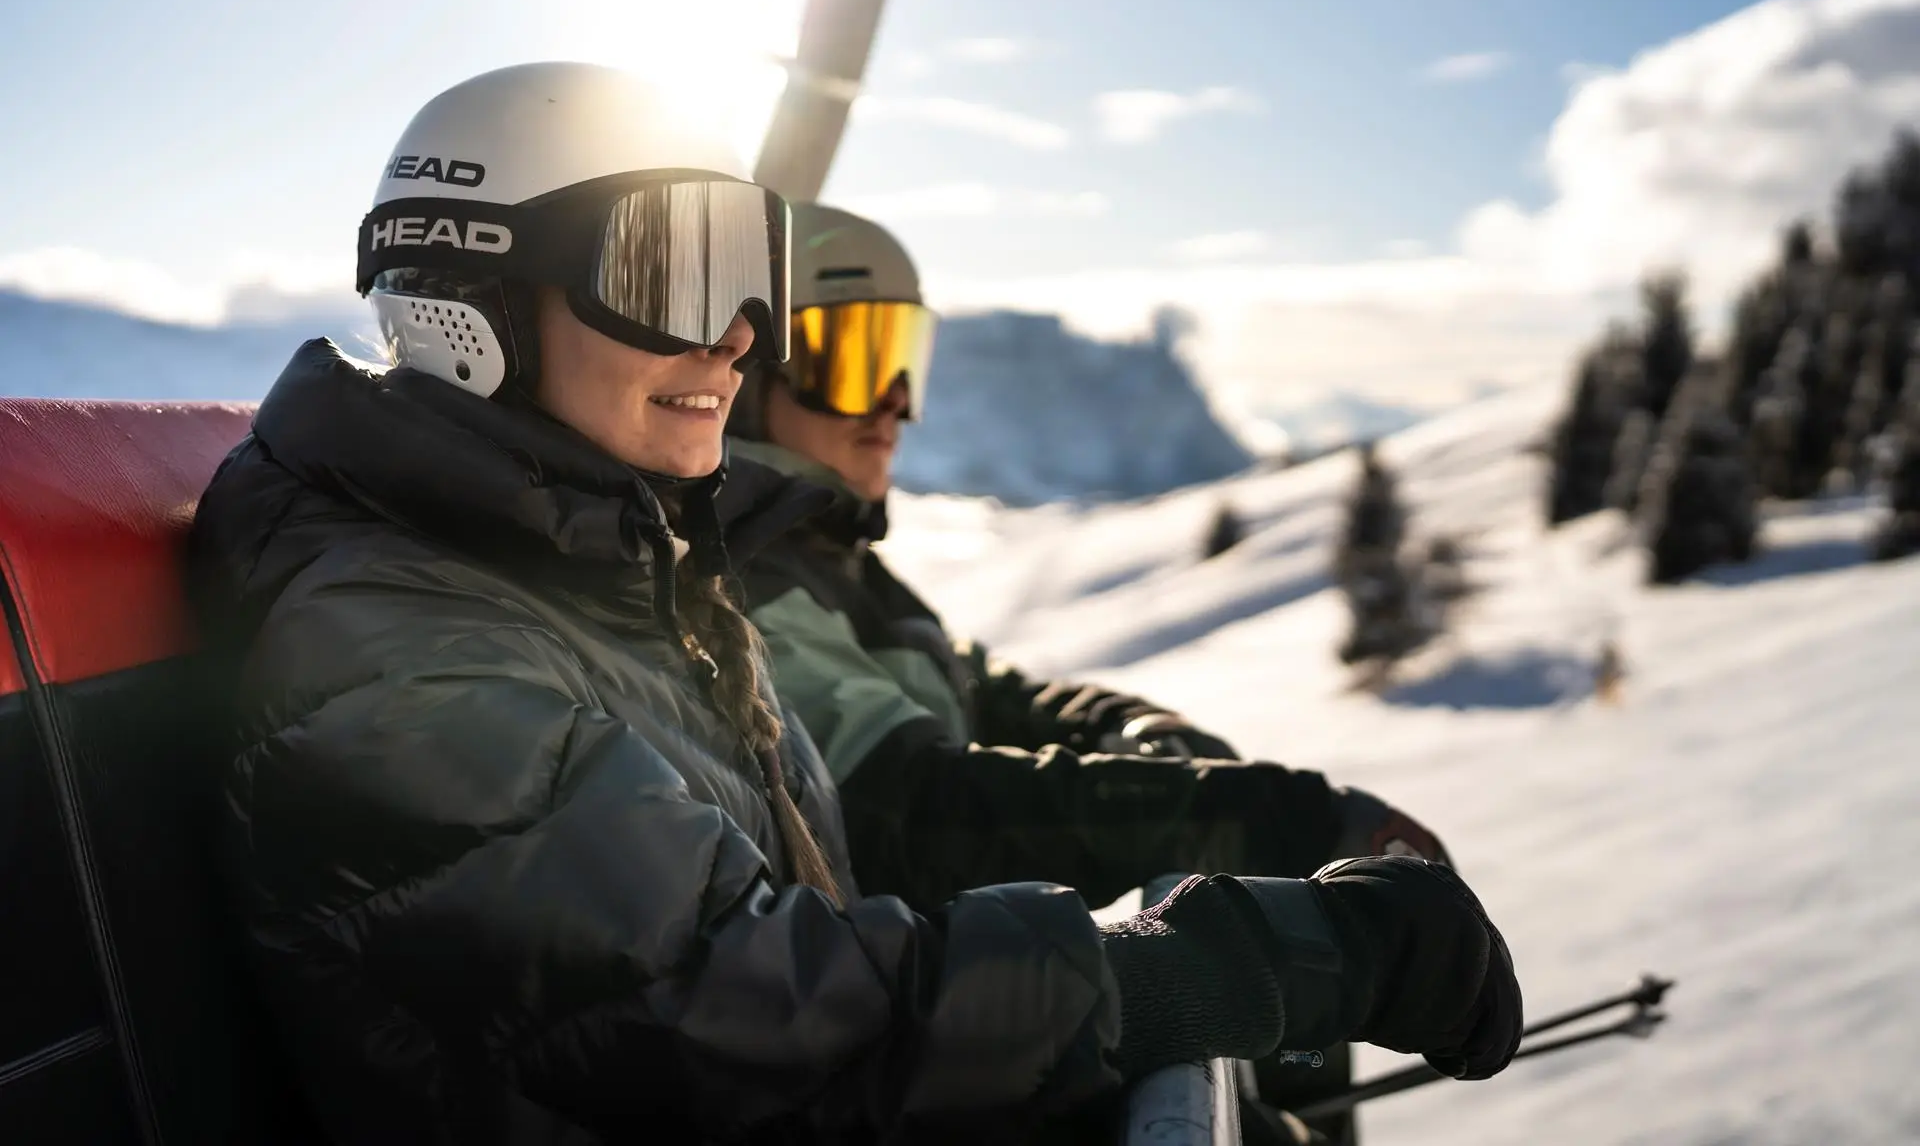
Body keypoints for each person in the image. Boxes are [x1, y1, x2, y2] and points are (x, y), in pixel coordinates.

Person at [187, 62, 1521, 1144]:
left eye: (745, 274)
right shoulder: (395, 654)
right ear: (463, 296)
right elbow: (745, 1013)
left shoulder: (615, 568)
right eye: (666, 272)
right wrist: (1242, 955)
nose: (736, 334)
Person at [726, 204, 1452, 913]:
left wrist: (1127, 728)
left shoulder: (831, 557)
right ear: (748, 381)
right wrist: (1251, 816)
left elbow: (980, 691)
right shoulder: (745, 575)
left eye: (899, 362)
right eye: (850, 363)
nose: (890, 404)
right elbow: (916, 811)